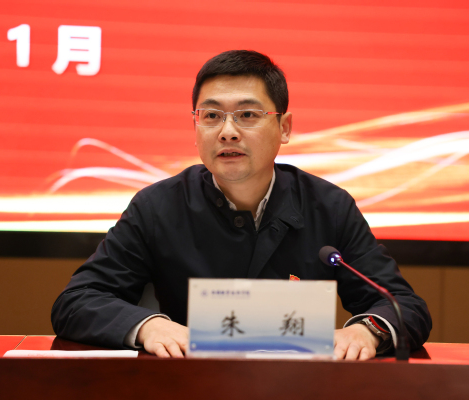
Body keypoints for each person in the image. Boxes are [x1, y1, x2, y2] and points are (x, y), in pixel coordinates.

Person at [52, 50, 431, 360]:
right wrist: (149, 326)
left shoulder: (328, 207)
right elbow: (77, 301)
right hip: (189, 385)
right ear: (195, 127)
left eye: (247, 115)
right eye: (211, 116)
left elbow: (403, 305)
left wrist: (367, 331)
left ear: (284, 127)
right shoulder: (158, 207)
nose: (228, 131)